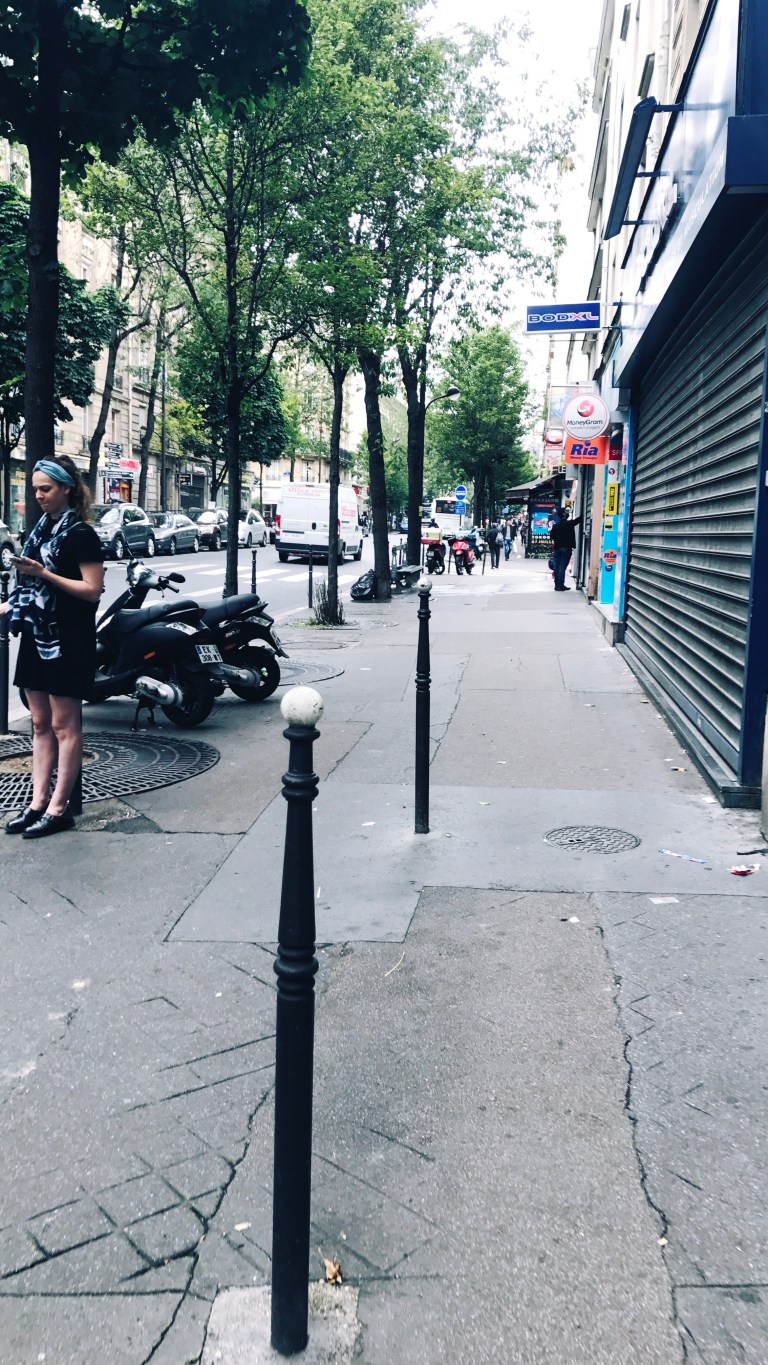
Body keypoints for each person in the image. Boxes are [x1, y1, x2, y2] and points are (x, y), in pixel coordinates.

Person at [1, 456, 104, 837]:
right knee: (40, 723)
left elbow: (92, 591)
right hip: (38, 636)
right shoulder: (39, 532)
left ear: (66, 489)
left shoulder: (81, 535)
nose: (39, 496)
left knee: (64, 725)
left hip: (69, 640)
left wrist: (44, 572)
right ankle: (37, 803)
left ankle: (59, 809)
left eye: (45, 489)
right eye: (35, 490)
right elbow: (31, 592)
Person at [549, 506, 581, 592]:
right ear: (563, 514)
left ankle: (557, 585)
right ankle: (560, 585)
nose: (568, 513)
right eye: (566, 512)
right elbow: (579, 519)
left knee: (557, 566)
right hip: (566, 549)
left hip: (557, 548)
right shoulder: (569, 524)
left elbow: (551, 536)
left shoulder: (556, 526)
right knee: (562, 567)